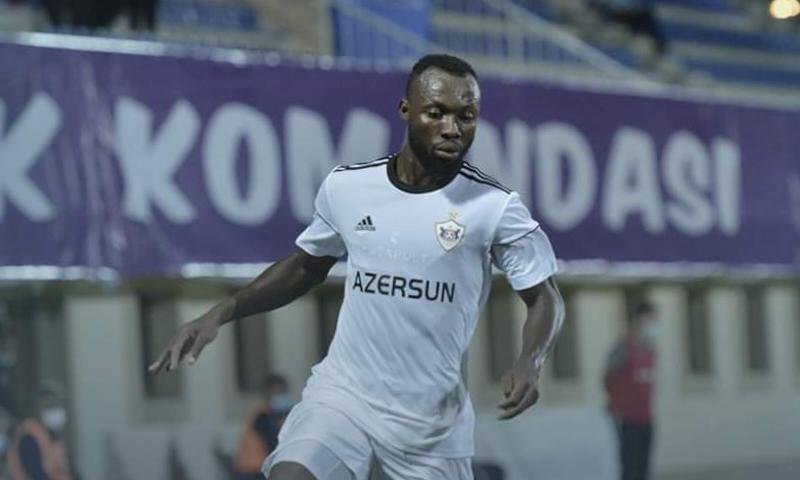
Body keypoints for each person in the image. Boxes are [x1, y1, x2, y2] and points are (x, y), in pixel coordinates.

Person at [149, 53, 565, 480]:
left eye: (466, 116)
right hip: (343, 400)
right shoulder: (349, 187)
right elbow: (304, 268)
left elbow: (545, 298)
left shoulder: (495, 207)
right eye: (436, 113)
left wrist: (530, 361)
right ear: (406, 110)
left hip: (429, 428)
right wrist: (220, 312)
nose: (451, 128)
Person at [604, 301, 658, 480]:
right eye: (650, 319)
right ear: (639, 319)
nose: (654, 324)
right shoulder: (623, 348)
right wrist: (618, 403)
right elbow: (608, 377)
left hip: (645, 417)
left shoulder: (649, 349)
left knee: (643, 468)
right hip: (626, 419)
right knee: (630, 468)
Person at [5, 384, 73, 480]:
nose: (55, 410)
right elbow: (36, 474)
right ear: (37, 409)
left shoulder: (53, 436)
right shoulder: (28, 437)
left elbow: (68, 470)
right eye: (49, 406)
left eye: (57, 405)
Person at [235, 374, 294, 480]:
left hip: (255, 467)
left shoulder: (265, 412)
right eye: (278, 392)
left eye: (283, 392)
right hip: (254, 469)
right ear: (268, 392)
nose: (281, 395)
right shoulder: (263, 415)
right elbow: (273, 441)